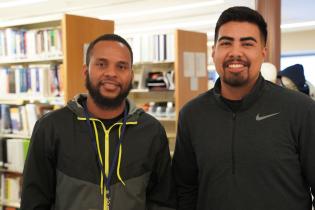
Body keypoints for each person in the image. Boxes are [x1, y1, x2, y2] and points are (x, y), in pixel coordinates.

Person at [172, 6, 315, 210]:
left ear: (263, 52)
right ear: (214, 52)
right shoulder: (192, 115)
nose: (235, 52)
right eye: (226, 43)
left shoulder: (301, 110)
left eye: (247, 43)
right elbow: (185, 190)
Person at [20, 34, 176, 210]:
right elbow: (33, 202)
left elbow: (163, 202)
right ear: (86, 71)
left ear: (131, 75)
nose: (111, 73)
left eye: (121, 66)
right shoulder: (51, 128)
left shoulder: (151, 131)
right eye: (101, 64)